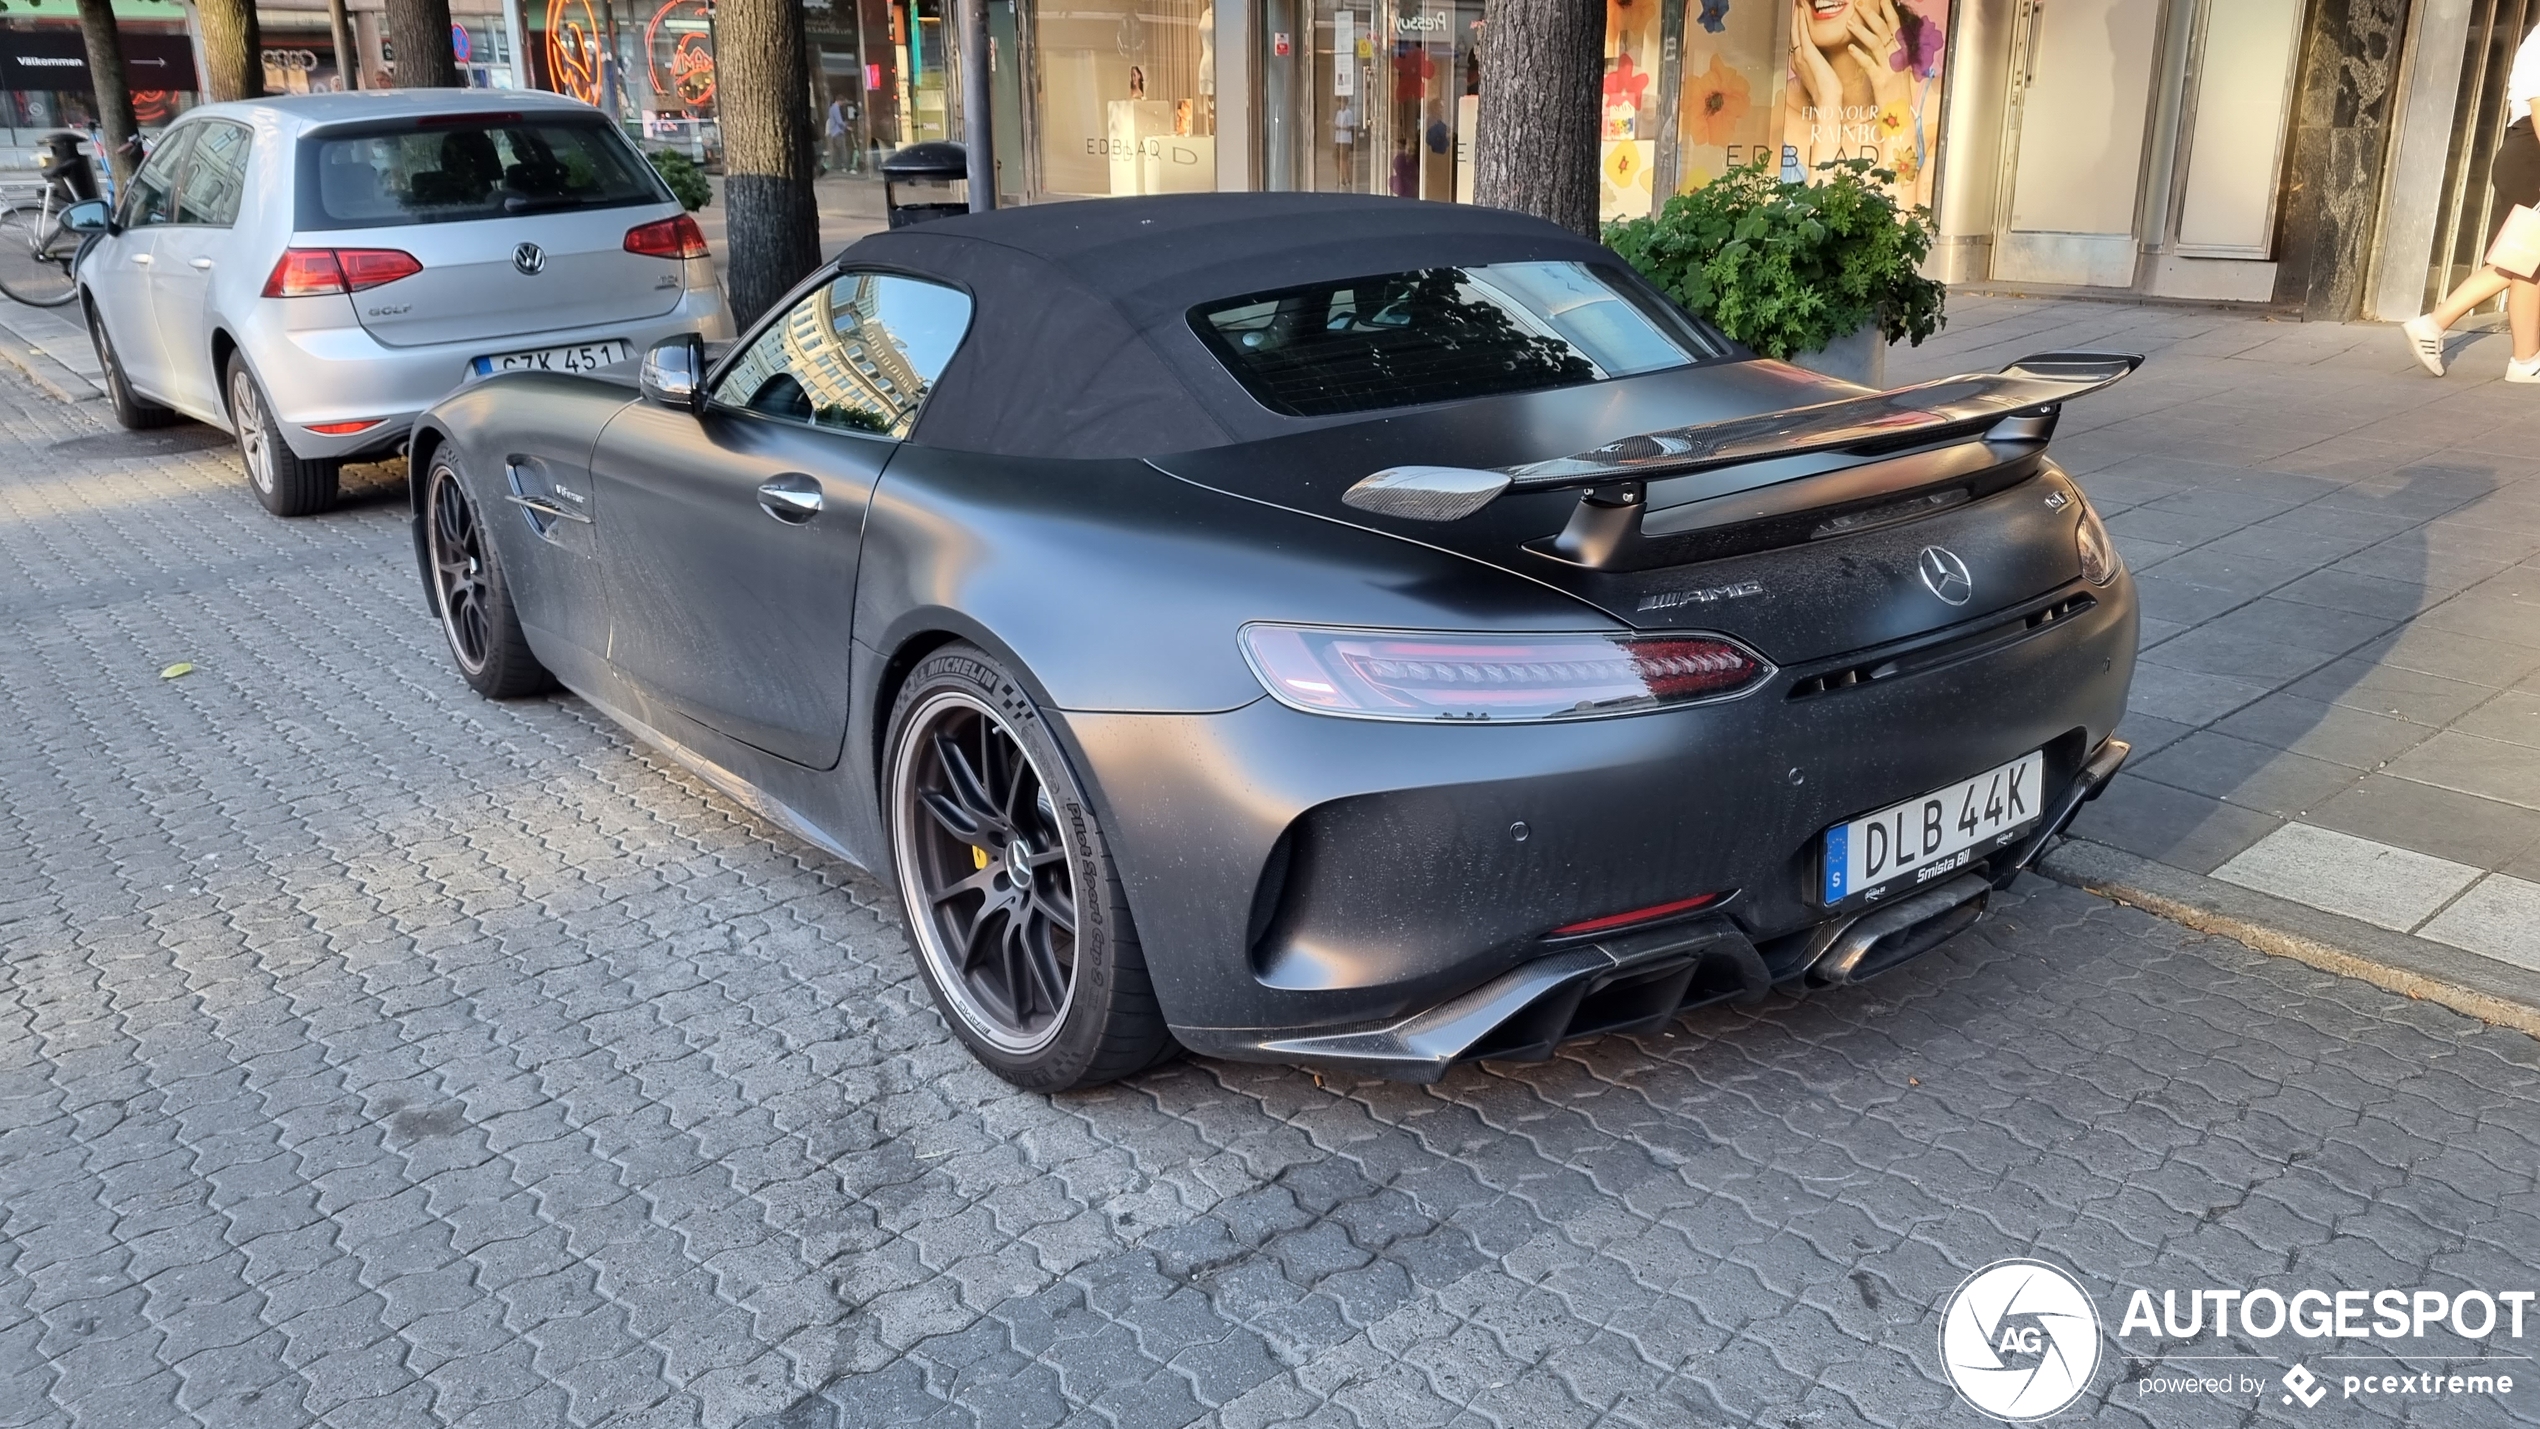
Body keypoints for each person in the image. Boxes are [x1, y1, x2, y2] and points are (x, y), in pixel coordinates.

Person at [2404, 20, 2540, 382]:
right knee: (2521, 257)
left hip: (2529, 153)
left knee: (2529, 261)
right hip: (2533, 153)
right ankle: (2434, 324)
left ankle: (2525, 362)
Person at [825, 96, 850, 173]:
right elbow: (839, 121)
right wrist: (846, 126)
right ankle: (845, 166)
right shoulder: (836, 108)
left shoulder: (831, 108)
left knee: (836, 150)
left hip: (833, 132)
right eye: (842, 102)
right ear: (839, 101)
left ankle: (836, 165)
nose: (842, 104)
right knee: (842, 150)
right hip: (838, 131)